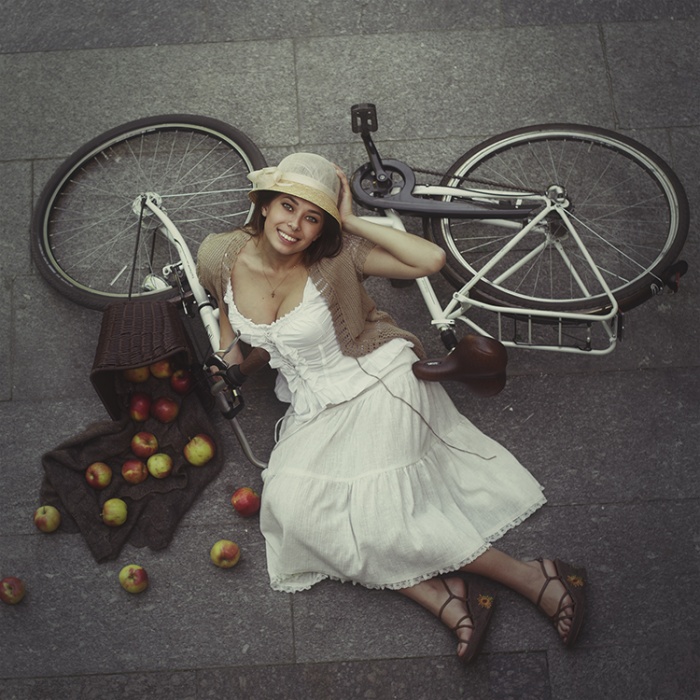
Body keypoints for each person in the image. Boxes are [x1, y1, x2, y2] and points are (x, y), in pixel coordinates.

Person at [196, 152, 586, 665]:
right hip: (314, 404)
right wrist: (226, 365)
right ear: (265, 205)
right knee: (291, 511)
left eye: (312, 218)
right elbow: (231, 333)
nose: (295, 226)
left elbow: (430, 260)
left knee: (385, 514)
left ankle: (533, 577)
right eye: (287, 207)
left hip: (377, 375)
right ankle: (444, 595)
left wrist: (352, 220)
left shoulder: (336, 257)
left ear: (323, 228)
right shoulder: (219, 255)